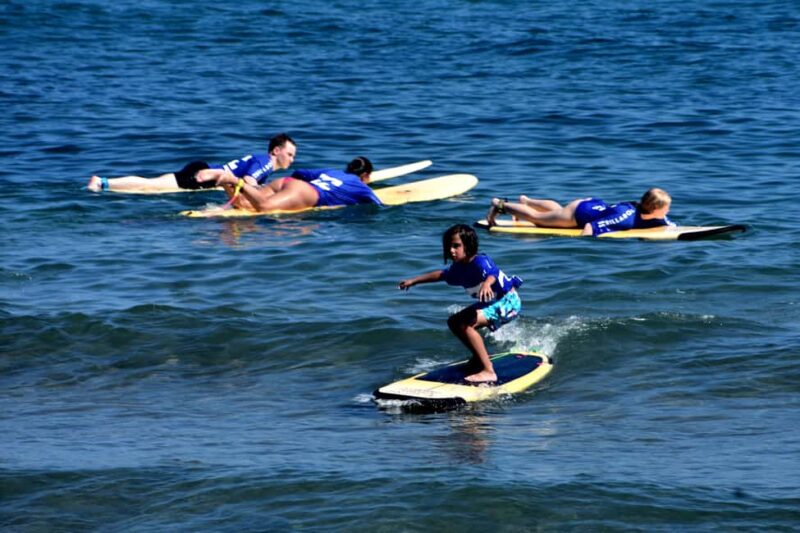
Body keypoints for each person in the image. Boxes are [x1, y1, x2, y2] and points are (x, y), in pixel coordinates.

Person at [398, 224, 523, 383]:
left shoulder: (480, 262)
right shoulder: (458, 269)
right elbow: (441, 275)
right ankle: (479, 359)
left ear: (468, 246)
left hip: (508, 301)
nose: (451, 250)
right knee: (454, 322)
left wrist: (486, 284)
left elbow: (493, 273)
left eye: (456, 246)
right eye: (449, 246)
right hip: (492, 302)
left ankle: (488, 370)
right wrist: (413, 281)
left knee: (464, 324)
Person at [87, 133, 297, 192]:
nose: (292, 159)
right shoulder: (267, 162)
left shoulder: (261, 162)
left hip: (201, 168)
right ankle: (101, 183)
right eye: (289, 154)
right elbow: (249, 181)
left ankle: (104, 183)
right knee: (150, 187)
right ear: (276, 151)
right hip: (204, 177)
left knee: (150, 185)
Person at [214, 156, 382, 213]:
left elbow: (300, 172)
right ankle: (234, 180)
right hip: (306, 193)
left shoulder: (332, 171)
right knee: (264, 207)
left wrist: (289, 186)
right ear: (365, 175)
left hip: (287, 182)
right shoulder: (362, 187)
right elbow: (379, 205)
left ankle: (224, 183)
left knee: (244, 205)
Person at [486, 187, 675, 236]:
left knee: (557, 211)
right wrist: (582, 249)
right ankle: (499, 204)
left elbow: (663, 221)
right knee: (538, 219)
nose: (668, 211)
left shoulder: (642, 208)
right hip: (578, 215)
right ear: (653, 209)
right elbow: (590, 227)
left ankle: (527, 201)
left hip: (591, 205)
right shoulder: (624, 219)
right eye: (666, 208)